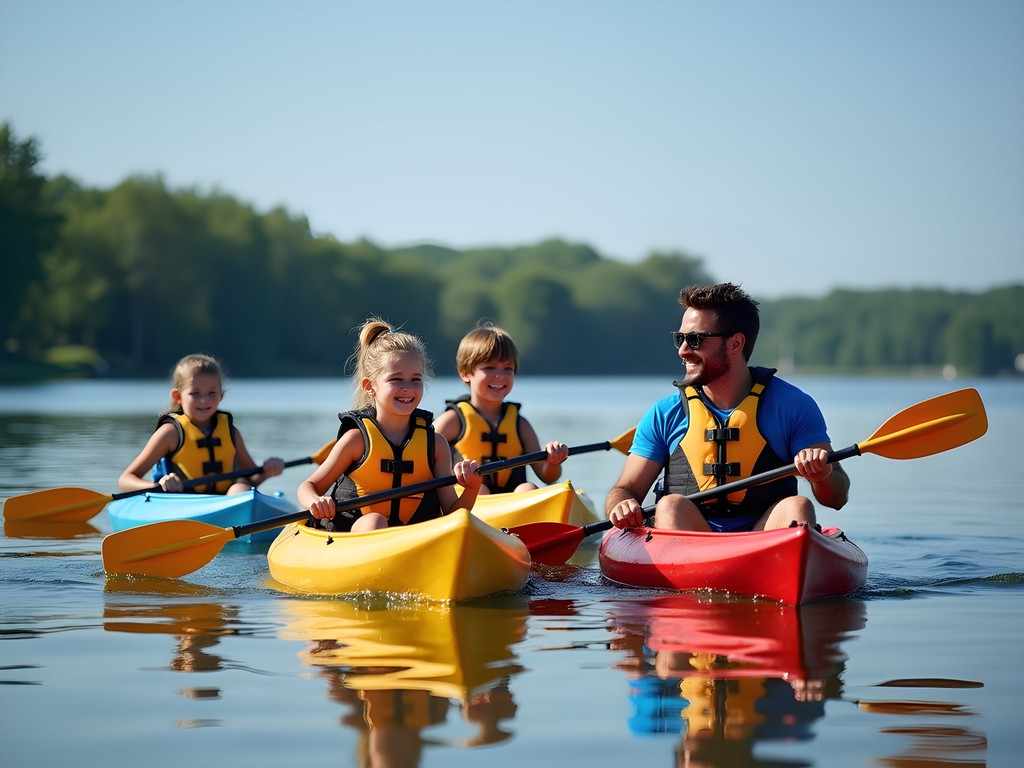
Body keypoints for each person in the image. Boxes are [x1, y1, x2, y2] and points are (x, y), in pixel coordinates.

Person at [606, 283, 849, 532]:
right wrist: (622, 504)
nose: (683, 350)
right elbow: (626, 489)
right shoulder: (665, 413)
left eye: (695, 339)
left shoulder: (793, 406)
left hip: (763, 538)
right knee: (670, 506)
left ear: (735, 344)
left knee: (798, 505)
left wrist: (822, 475)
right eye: (680, 338)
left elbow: (837, 498)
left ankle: (781, 565)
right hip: (689, 535)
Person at [299, 318, 482, 531]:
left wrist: (472, 488)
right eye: (396, 379)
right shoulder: (355, 441)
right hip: (353, 537)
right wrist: (315, 501)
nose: (408, 388)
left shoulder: (436, 445)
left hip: (410, 539)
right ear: (370, 386)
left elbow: (453, 514)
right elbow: (308, 486)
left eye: (416, 379)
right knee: (375, 521)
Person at [118, 353, 284, 494]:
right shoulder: (169, 433)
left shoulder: (231, 433)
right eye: (195, 393)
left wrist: (267, 471)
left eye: (212, 393)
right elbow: (125, 481)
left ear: (221, 395)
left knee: (241, 486)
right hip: (183, 501)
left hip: (229, 503)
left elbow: (252, 477)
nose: (204, 400)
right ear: (177, 397)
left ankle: (239, 517)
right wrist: (158, 486)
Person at [433, 323, 568, 494]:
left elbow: (548, 477)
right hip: (468, 500)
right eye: (489, 367)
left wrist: (553, 462)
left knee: (528, 488)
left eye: (507, 368)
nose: (500, 376)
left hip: (510, 504)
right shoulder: (453, 420)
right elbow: (424, 460)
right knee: (480, 489)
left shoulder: (520, 425)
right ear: (465, 373)